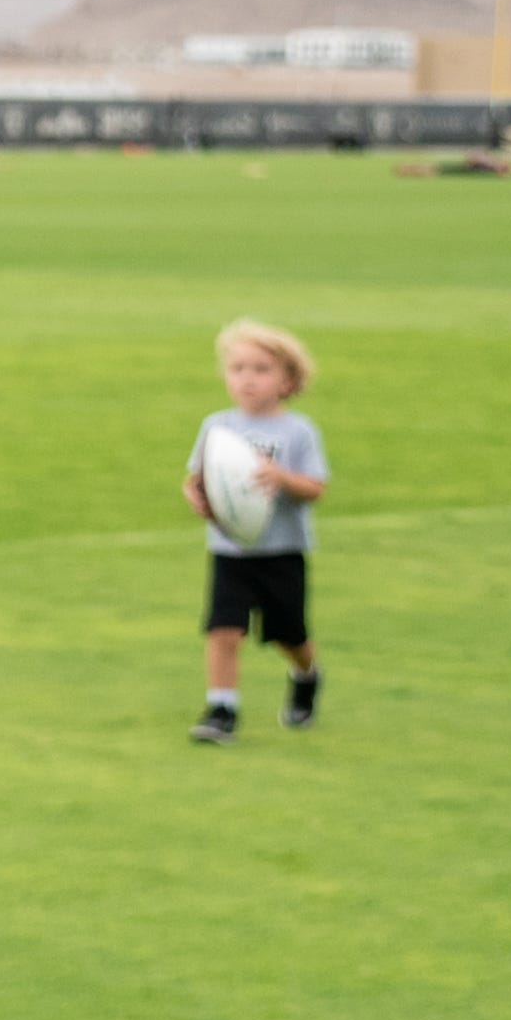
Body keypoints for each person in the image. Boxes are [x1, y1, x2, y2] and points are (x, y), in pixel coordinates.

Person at [182, 317, 329, 742]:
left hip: (281, 551)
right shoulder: (217, 426)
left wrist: (280, 478)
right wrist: (196, 496)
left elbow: (315, 488)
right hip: (230, 550)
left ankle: (306, 673)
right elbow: (196, 478)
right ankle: (221, 708)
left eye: (261, 370)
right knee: (223, 628)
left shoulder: (298, 431)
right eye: (238, 368)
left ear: (288, 380)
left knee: (289, 634)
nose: (247, 379)